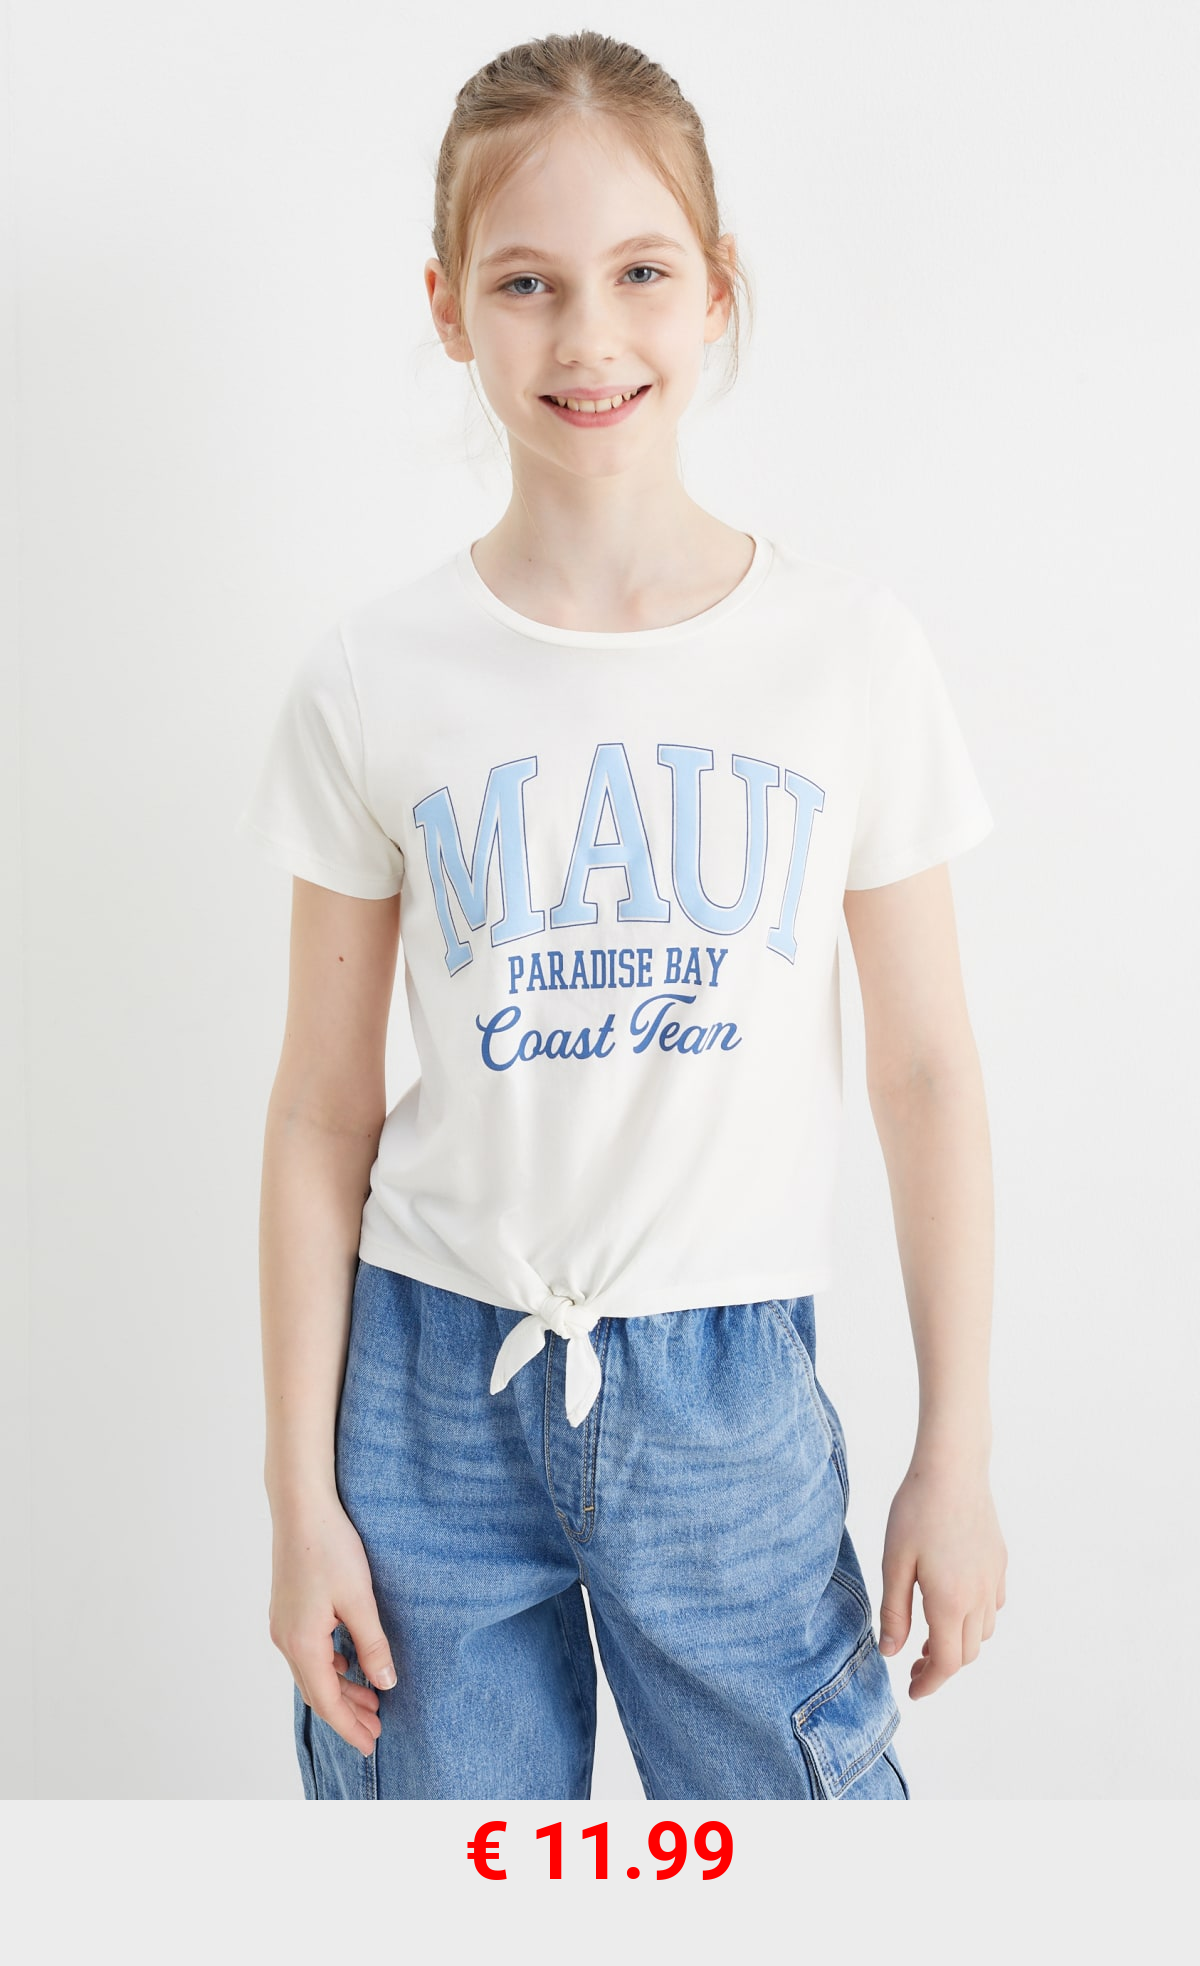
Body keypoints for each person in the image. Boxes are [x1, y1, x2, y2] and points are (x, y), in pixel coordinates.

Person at [236, 29, 1007, 1803]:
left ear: (717, 288)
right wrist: (297, 1498)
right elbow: (320, 1110)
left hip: (726, 1400)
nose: (588, 335)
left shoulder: (847, 653)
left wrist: (953, 1452)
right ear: (449, 306)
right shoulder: (373, 675)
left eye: (641, 272)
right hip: (427, 1389)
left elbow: (928, 1075)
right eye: (527, 283)